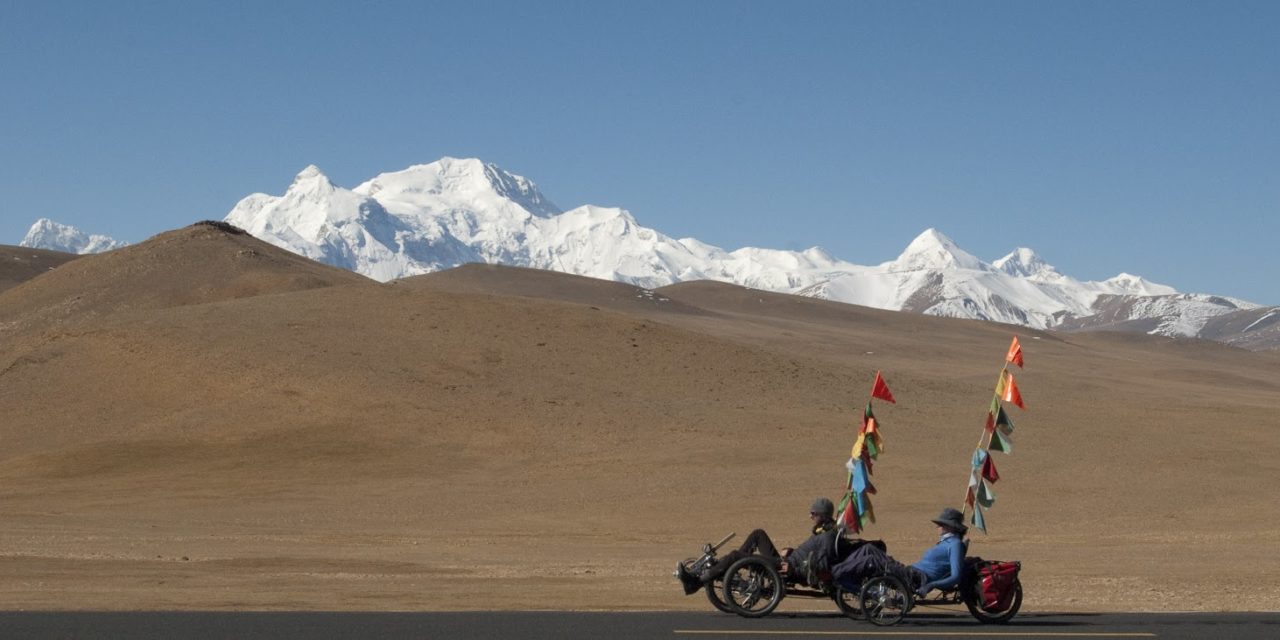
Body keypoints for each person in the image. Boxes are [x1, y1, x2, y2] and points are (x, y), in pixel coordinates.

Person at [676, 497, 836, 595]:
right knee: (758, 534)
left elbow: (821, 564)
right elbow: (810, 554)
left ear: (823, 515)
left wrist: (794, 568)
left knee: (734, 555)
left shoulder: (827, 537)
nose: (810, 516)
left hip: (787, 569)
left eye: (813, 513)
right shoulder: (822, 532)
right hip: (787, 561)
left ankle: (696, 583)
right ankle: (731, 568)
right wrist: (792, 551)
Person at [830, 507, 969, 596]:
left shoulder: (955, 545)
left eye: (940, 524)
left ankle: (833, 574)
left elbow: (955, 576)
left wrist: (931, 585)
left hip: (916, 579)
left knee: (871, 560)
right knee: (868, 548)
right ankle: (840, 571)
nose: (937, 526)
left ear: (950, 527)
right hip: (909, 572)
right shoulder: (947, 542)